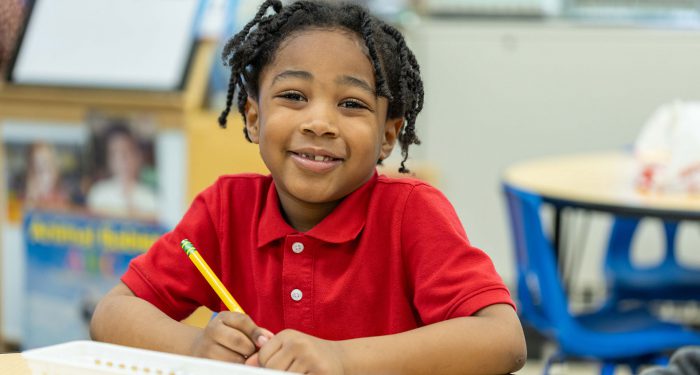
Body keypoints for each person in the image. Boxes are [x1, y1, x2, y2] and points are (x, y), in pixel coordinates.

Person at [90, 1, 526, 374]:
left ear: (388, 136)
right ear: (254, 118)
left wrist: (342, 360)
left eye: (351, 104)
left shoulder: (412, 213)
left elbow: (502, 339)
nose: (319, 123)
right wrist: (195, 348)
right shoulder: (226, 209)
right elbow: (112, 313)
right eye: (294, 96)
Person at [86, 122, 158, 219]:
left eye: (126, 152)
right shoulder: (99, 194)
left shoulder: (150, 198)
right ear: (108, 159)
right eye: (115, 153)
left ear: (138, 157)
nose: (122, 159)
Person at [23, 142, 71, 211]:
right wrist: (30, 199)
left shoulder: (60, 198)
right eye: (34, 170)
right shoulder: (24, 196)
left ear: (54, 171)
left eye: (45, 169)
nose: (40, 177)